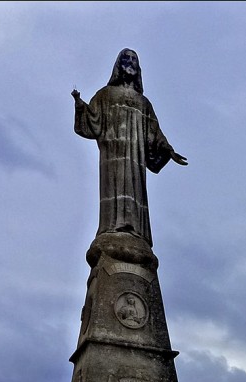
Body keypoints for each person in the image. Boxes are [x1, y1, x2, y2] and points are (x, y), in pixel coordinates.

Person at [72, 49, 187, 246]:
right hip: (112, 154)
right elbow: (93, 120)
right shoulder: (105, 95)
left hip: (135, 156)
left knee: (135, 190)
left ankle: (136, 230)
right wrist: (80, 105)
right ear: (119, 65)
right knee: (113, 187)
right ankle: (111, 227)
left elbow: (154, 132)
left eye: (134, 60)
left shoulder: (143, 103)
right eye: (127, 59)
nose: (131, 63)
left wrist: (168, 150)